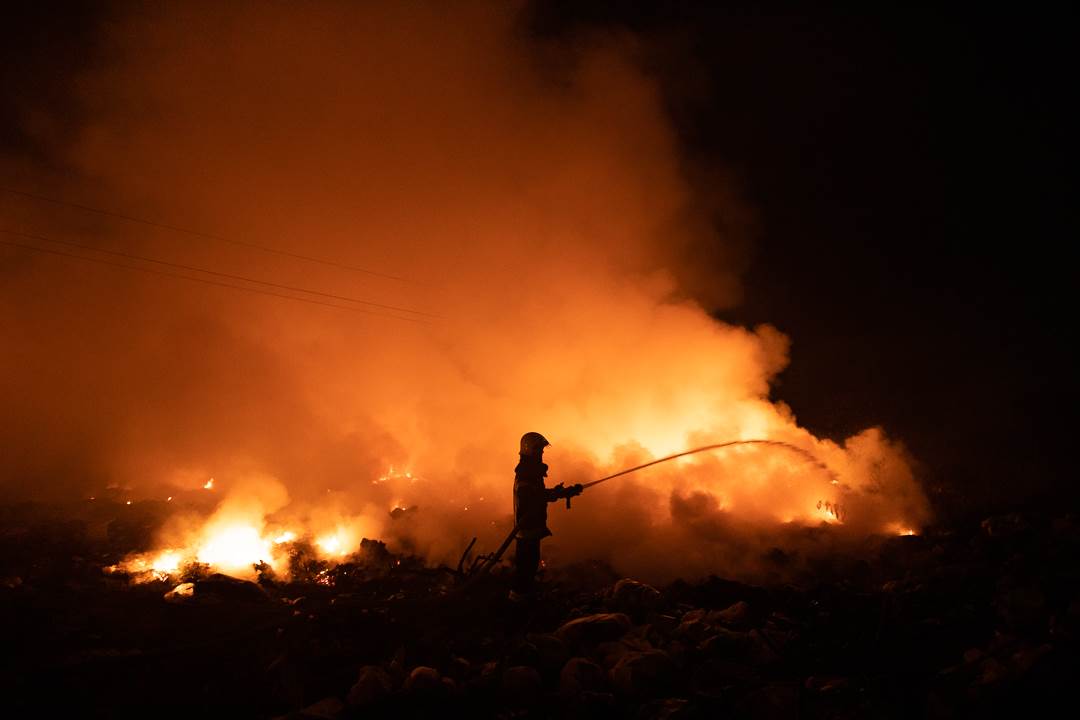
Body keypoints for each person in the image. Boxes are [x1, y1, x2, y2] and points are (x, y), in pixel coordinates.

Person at [511, 431, 582, 600]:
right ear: (530, 450)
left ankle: (523, 598)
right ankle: (518, 604)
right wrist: (559, 494)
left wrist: (562, 492)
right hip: (526, 527)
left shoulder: (530, 470)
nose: (542, 453)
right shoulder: (526, 472)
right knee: (526, 568)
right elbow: (531, 496)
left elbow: (538, 494)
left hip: (530, 527)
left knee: (529, 565)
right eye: (539, 450)